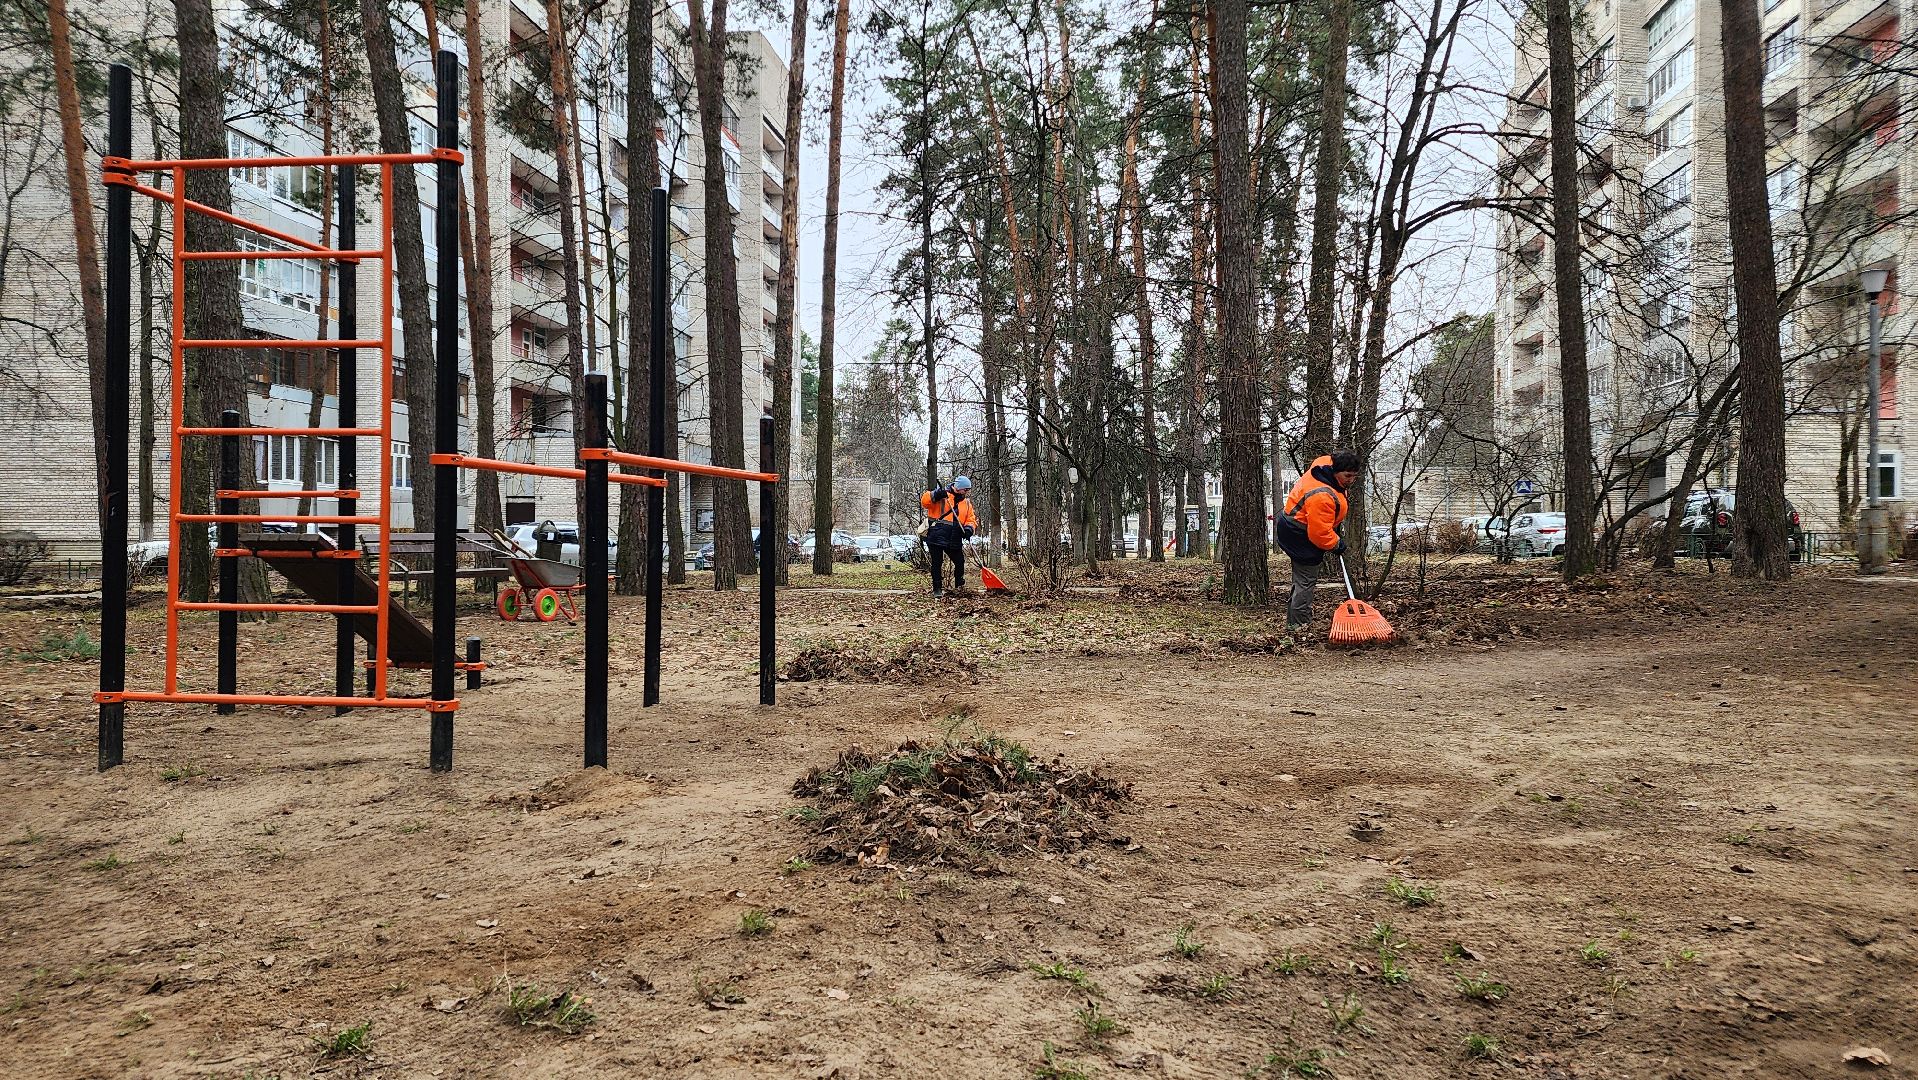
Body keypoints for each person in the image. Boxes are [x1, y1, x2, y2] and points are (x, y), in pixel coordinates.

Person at [1274, 450, 1361, 632]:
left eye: (1354, 476)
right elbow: (1319, 534)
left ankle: (1294, 621)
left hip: (1294, 525)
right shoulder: (1322, 496)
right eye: (1347, 476)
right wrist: (1336, 544)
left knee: (1301, 581)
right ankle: (1299, 626)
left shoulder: (1325, 466)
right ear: (1335, 471)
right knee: (1306, 581)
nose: (1351, 480)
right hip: (1298, 534)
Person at [920, 476, 978, 596]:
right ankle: (937, 589)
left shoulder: (966, 503)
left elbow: (971, 519)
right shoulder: (942, 496)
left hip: (954, 537)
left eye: (968, 490)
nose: (966, 492)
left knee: (960, 561)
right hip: (936, 535)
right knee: (937, 562)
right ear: (958, 488)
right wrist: (935, 495)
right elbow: (925, 502)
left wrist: (969, 529)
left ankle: (959, 587)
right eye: (965, 490)